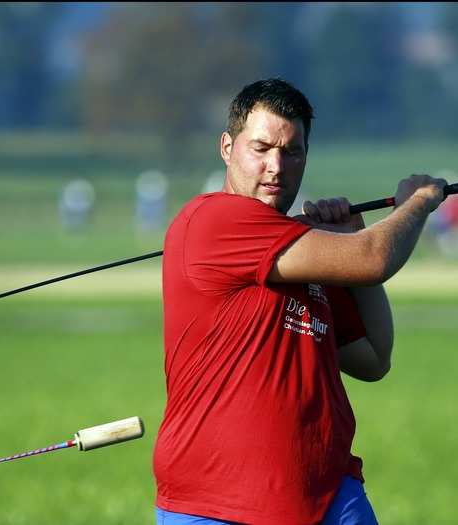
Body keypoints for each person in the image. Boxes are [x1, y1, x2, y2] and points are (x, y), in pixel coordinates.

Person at [152, 78, 447, 525]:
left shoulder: (301, 250)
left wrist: (348, 235)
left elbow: (373, 359)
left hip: (330, 492)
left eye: (291, 152)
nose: (276, 166)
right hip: (220, 501)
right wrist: (418, 203)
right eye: (261, 147)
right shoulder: (215, 218)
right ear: (227, 147)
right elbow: (374, 258)